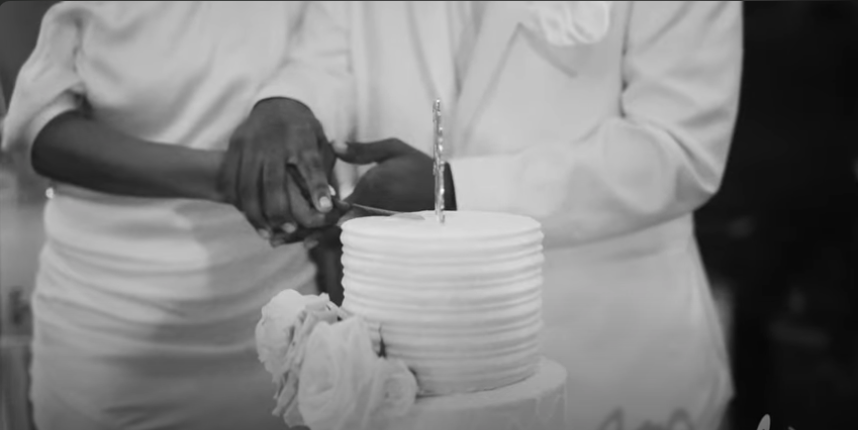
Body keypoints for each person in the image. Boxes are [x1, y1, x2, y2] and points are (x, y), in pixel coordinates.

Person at [272, 1, 743, 429]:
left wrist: (455, 187)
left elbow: (676, 151)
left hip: (609, 350)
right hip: (412, 352)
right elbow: (327, 59)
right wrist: (288, 109)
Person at [1, 2, 338, 429]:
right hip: (111, 332)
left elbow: (326, 55)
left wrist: (288, 105)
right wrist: (233, 180)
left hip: (279, 320)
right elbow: (37, 129)